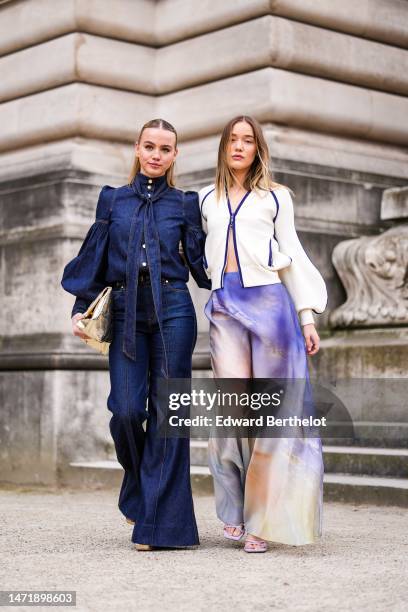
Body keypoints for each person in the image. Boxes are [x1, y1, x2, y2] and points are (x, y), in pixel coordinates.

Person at [61, 118, 211, 551]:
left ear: (175, 155)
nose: (157, 155)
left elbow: (202, 268)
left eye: (166, 149)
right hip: (126, 311)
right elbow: (95, 256)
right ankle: (139, 488)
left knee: (170, 417)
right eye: (150, 146)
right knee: (126, 410)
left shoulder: (185, 204)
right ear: (137, 148)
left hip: (175, 312)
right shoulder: (112, 200)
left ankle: (159, 527)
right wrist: (80, 308)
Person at [199, 115, 328, 553]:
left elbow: (293, 256)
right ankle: (235, 510)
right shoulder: (204, 199)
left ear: (257, 149)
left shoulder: (276, 198)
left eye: (247, 140)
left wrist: (307, 317)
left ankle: (263, 520)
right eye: (232, 139)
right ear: (223, 146)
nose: (239, 146)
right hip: (224, 309)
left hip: (272, 309)